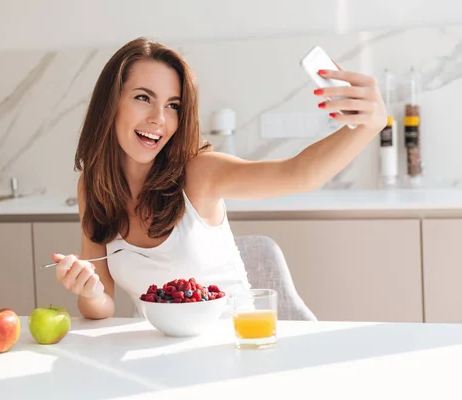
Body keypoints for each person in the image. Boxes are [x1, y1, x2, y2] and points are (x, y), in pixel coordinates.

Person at [51, 37, 387, 320]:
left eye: (173, 105)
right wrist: (90, 291)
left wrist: (370, 125)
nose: (159, 118)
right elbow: (101, 304)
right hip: (161, 359)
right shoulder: (94, 188)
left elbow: (297, 174)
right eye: (143, 98)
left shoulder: (199, 174)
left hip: (238, 345)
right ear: (111, 104)